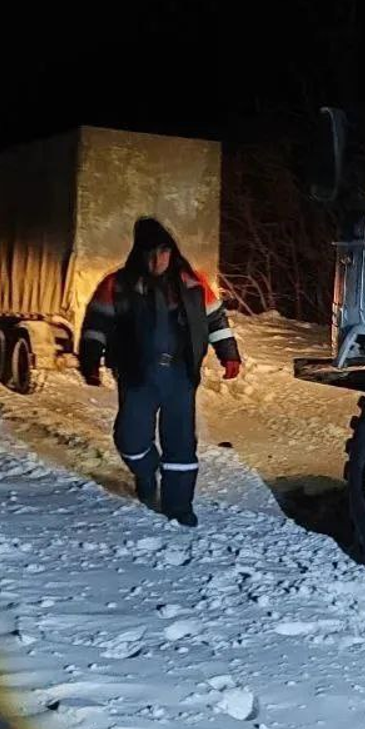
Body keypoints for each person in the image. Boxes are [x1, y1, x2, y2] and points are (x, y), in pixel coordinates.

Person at [78, 218, 241, 526]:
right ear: (139, 253)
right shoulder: (118, 285)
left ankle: (179, 506)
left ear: (172, 252)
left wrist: (229, 354)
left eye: (163, 252)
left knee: (180, 443)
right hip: (137, 374)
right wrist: (90, 360)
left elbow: (216, 321)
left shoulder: (194, 284)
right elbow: (96, 325)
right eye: (150, 253)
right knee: (129, 438)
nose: (157, 260)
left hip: (180, 376)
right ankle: (146, 471)